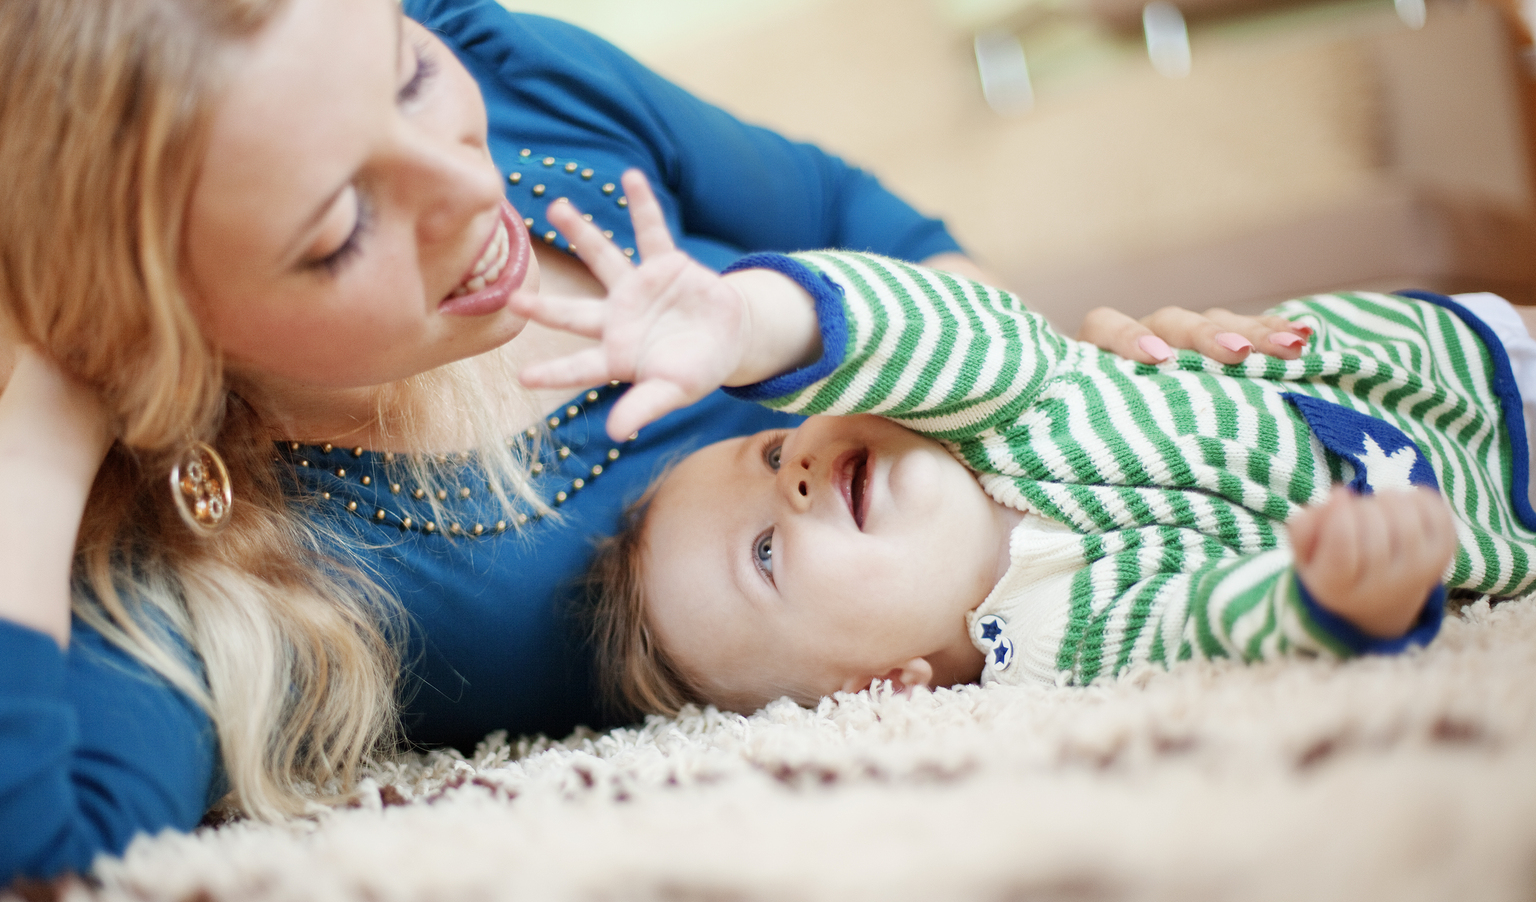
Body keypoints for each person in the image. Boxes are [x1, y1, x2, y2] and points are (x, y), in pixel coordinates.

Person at [0, 0, 1301, 902]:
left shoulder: (522, 88)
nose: (474, 192)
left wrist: (1073, 389)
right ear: (161, 327)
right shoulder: (225, 565)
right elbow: (7, 877)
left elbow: (853, 217)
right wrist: (62, 387)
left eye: (408, 76)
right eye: (342, 221)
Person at [512, 175, 1536, 716]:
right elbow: (1207, 622)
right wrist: (1332, 594)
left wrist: (750, 327)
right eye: (766, 554)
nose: (802, 474)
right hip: (1489, 508)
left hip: (1447, 359)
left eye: (774, 452)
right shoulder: (1055, 641)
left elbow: (921, 321)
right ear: (883, 689)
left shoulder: (998, 399)